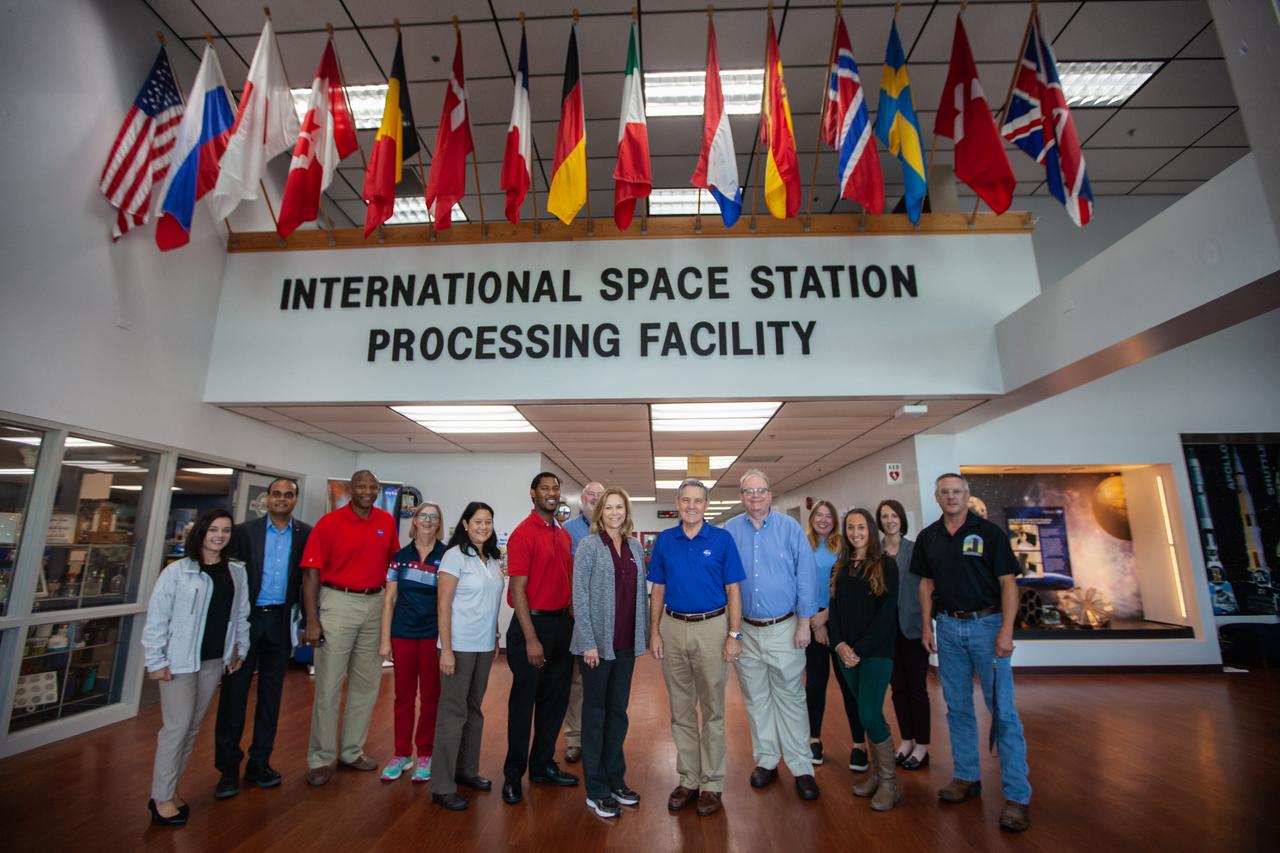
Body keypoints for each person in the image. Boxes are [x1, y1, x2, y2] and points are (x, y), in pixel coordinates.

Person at [914, 473, 1032, 832]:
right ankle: (966, 776)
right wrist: (926, 626)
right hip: (948, 629)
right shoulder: (929, 537)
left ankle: (1017, 796)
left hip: (987, 627)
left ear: (967, 495)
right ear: (937, 497)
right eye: (945, 492)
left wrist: (1006, 631)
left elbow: (1008, 583)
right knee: (958, 708)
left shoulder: (989, 533)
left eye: (957, 492)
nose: (951, 497)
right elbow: (926, 584)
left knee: (1004, 714)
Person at [142, 508, 251, 825]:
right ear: (201, 532)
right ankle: (160, 797)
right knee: (175, 729)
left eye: (226, 530)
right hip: (178, 663)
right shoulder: (177, 572)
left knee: (190, 729)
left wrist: (239, 649)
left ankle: (172, 789)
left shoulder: (236, 572)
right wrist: (155, 660)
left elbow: (240, 615)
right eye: (214, 529)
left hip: (213, 661)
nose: (220, 536)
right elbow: (157, 619)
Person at [648, 478, 745, 818]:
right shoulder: (665, 541)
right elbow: (657, 589)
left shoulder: (721, 540)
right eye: (685, 500)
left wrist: (735, 634)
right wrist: (655, 632)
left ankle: (713, 783)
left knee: (714, 710)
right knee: (681, 709)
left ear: (706, 505)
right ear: (678, 503)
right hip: (673, 628)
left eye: (697, 501)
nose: (691, 506)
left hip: (713, 628)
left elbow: (733, 589)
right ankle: (689, 778)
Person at [723, 470, 820, 801]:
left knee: (791, 698)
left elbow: (806, 577)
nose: (755, 496)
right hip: (745, 629)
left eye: (760, 491)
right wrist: (730, 631)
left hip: (785, 628)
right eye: (748, 491)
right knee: (756, 698)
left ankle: (802, 767)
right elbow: (724, 581)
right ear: (741, 496)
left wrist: (805, 623)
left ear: (770, 494)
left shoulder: (790, 529)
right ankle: (766, 760)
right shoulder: (730, 531)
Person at [300, 470, 400, 786]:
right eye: (361, 486)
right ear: (350, 489)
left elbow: (393, 568)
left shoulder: (386, 522)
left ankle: (351, 751)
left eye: (373, 486)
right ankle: (320, 758)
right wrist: (312, 620)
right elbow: (311, 574)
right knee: (328, 685)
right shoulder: (328, 524)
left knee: (366, 683)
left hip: (375, 603)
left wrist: (390, 616)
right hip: (338, 602)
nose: (368, 491)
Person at [213, 478, 311, 798]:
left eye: (289, 495)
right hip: (247, 621)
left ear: (295, 499)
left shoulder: (305, 534)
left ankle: (260, 763)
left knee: (271, 697)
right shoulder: (243, 533)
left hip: (280, 621)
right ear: (266, 498)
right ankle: (228, 769)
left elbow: (308, 580)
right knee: (234, 696)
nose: (282, 499)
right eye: (277, 494)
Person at [570, 487, 648, 818]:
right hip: (596, 647)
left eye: (620, 507)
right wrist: (588, 641)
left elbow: (638, 594)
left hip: (626, 644)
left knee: (618, 712)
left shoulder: (634, 546)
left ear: (626, 512)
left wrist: (642, 637)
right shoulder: (589, 546)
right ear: (599, 511)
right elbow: (580, 596)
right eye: (609, 507)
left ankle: (616, 778)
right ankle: (597, 789)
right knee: (595, 714)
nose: (614, 512)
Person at [502, 472, 577, 804]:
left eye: (555, 488)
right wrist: (531, 640)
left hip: (562, 627)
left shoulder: (561, 534)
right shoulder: (522, 534)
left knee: (554, 703)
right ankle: (513, 775)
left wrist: (574, 624)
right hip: (531, 628)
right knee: (524, 705)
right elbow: (517, 589)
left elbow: (567, 583)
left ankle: (543, 764)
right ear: (533, 494)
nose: (551, 493)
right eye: (545, 488)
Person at [431, 502, 505, 810]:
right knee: (453, 715)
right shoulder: (454, 556)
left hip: (484, 646)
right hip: (458, 646)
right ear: (465, 524)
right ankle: (442, 785)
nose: (483, 527)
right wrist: (446, 649)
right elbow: (443, 604)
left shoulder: (492, 557)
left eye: (488, 522)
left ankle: (467, 771)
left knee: (474, 711)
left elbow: (490, 602)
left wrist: (496, 636)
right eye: (478, 521)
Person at [828, 508, 901, 812]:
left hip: (876, 652)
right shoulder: (841, 565)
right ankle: (876, 772)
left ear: (871, 529)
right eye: (850, 528)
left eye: (861, 527)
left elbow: (887, 613)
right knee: (862, 712)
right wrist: (841, 645)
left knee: (870, 712)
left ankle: (889, 782)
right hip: (847, 653)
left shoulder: (886, 564)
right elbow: (835, 611)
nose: (855, 532)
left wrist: (860, 648)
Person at [378, 501, 447, 783]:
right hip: (403, 633)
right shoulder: (400, 556)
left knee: (431, 697)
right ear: (415, 521)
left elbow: (448, 600)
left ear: (439, 523)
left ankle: (426, 754)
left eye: (434, 516)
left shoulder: (447, 556)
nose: (428, 520)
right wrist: (385, 640)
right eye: (423, 516)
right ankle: (401, 753)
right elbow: (389, 599)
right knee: (403, 697)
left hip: (433, 635)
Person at [803, 500, 868, 772]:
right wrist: (815, 624)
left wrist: (826, 619)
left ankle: (859, 744)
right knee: (815, 685)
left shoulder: (844, 546)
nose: (823, 519)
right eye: (819, 514)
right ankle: (814, 740)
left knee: (848, 685)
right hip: (811, 618)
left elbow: (848, 590)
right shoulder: (802, 544)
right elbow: (798, 585)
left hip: (840, 619)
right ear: (812, 518)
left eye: (829, 516)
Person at [879, 498, 929, 769]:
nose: (889, 520)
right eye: (885, 516)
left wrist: (926, 626)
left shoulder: (914, 549)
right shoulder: (877, 552)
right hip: (887, 632)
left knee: (917, 688)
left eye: (894, 516)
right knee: (897, 688)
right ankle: (907, 740)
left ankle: (922, 746)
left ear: (901, 519)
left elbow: (926, 588)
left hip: (912, 628)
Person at [561, 481, 604, 765]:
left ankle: (598, 736)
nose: (596, 499)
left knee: (603, 679)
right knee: (577, 680)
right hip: (576, 613)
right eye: (591, 495)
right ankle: (574, 738)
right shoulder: (568, 531)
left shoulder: (613, 528)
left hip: (606, 615)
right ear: (581, 501)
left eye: (601, 496)